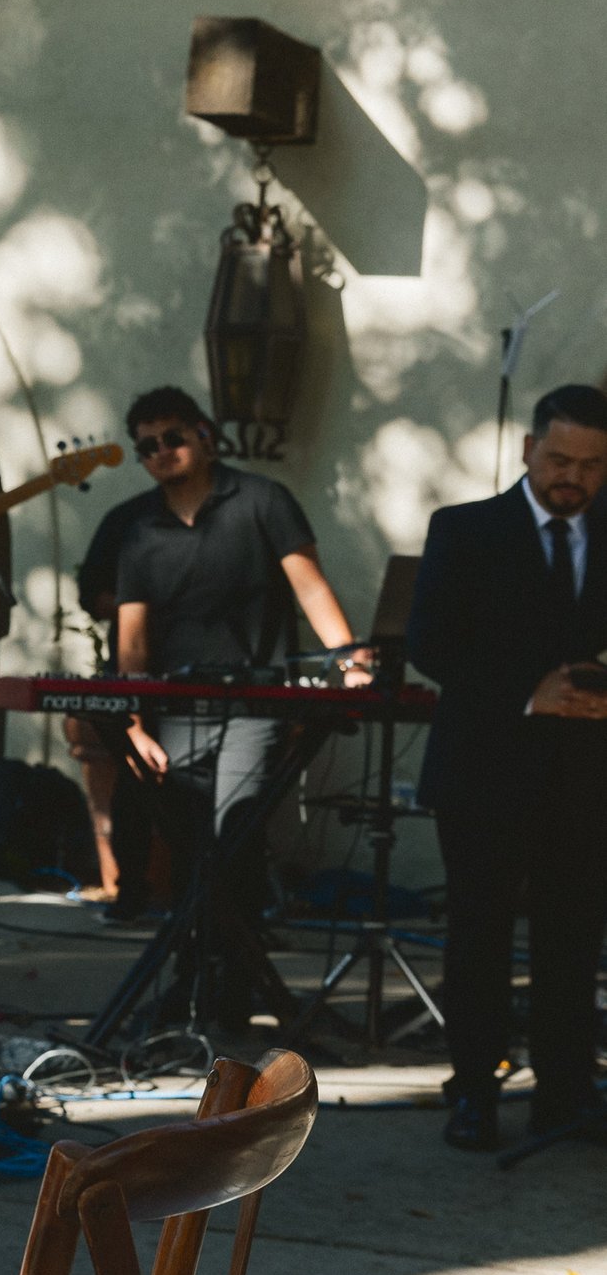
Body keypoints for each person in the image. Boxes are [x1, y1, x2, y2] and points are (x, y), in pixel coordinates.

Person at [408, 384, 607, 1152]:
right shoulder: (465, 530)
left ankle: (565, 1093)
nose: (573, 477)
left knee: (573, 938)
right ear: (528, 450)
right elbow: (430, 643)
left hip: (586, 778)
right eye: (559, 458)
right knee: (480, 935)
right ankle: (474, 1093)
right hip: (485, 767)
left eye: (592, 465)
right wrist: (530, 689)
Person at [112, 388, 362, 966]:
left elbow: (311, 586)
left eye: (172, 437)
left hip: (254, 701)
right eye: (146, 446)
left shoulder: (262, 499)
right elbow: (133, 639)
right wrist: (131, 722)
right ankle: (201, 972)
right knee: (192, 843)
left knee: (236, 830)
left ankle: (234, 978)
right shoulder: (140, 530)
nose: (161, 452)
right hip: (176, 709)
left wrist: (350, 661)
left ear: (204, 434)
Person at [67, 485, 164, 907]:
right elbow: (93, 594)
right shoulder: (129, 517)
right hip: (136, 670)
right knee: (133, 781)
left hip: (200, 670)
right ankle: (130, 892)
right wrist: (138, 609)